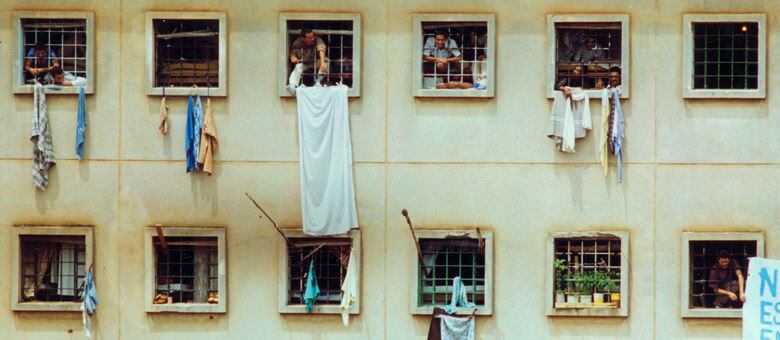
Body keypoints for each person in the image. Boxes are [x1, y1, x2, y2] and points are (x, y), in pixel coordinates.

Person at [287, 28, 328, 94]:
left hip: (315, 61)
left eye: (313, 37)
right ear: (303, 39)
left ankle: (318, 82)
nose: (313, 39)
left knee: (326, 61)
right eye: (310, 38)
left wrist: (322, 63)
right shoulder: (298, 42)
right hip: (304, 62)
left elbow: (321, 49)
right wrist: (293, 57)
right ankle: (293, 86)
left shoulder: (317, 39)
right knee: (298, 67)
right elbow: (293, 52)